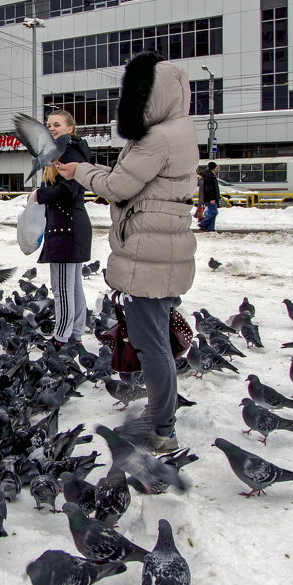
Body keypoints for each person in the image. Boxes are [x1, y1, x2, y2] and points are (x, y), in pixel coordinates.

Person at [54, 52, 198, 452]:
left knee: (152, 346)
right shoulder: (181, 130)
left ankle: (162, 428)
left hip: (147, 257)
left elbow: (117, 187)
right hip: (166, 249)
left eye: (138, 96)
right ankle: (161, 414)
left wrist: (79, 171)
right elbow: (131, 182)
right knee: (156, 339)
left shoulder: (158, 138)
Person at [33, 110, 91, 348]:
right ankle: (75, 334)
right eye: (48, 125)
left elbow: (69, 190)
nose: (52, 128)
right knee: (73, 286)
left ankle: (61, 338)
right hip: (70, 225)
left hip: (66, 227)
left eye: (57, 124)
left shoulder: (68, 152)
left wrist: (39, 194)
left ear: (70, 129)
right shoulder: (70, 150)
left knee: (63, 288)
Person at [197, 161, 220, 231]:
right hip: (210, 198)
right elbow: (209, 188)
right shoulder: (210, 175)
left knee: (211, 212)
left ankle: (210, 228)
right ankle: (203, 223)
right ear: (213, 167)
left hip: (210, 197)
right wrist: (212, 198)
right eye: (216, 166)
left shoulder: (209, 174)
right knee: (214, 212)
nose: (217, 168)